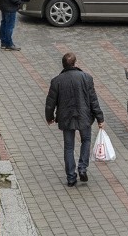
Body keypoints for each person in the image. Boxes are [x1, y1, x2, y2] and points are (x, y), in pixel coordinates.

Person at [45, 53, 105, 187]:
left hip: (66, 118)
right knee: (86, 140)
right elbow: (93, 100)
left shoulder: (57, 81)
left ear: (63, 65)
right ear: (75, 63)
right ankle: (82, 168)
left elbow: (50, 102)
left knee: (69, 147)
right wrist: (100, 118)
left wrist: (50, 117)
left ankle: (71, 177)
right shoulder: (86, 78)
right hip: (84, 116)